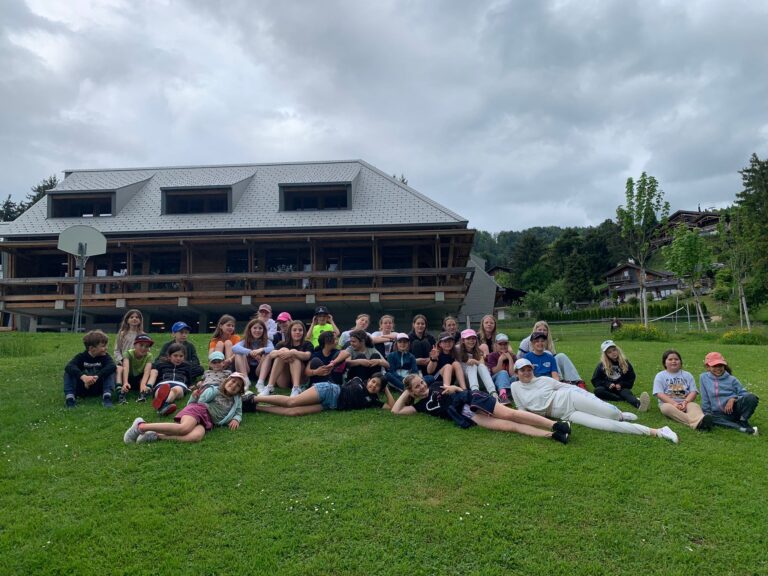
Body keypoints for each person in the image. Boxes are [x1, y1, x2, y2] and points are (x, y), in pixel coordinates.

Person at [511, 359, 678, 443]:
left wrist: (588, 396)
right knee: (605, 425)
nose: (526, 373)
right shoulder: (515, 387)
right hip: (566, 414)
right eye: (522, 370)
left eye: (528, 369)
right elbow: (520, 409)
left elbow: (566, 387)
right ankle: (657, 431)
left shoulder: (544, 380)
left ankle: (619, 414)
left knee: (611, 414)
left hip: (570, 398)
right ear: (516, 373)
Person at [392, 374, 572, 444]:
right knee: (509, 426)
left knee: (510, 414)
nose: (422, 387)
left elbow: (461, 391)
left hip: (473, 400)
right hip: (467, 415)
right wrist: (406, 391)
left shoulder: (436, 385)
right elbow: (396, 411)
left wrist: (455, 388)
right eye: (417, 387)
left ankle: (556, 425)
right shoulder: (420, 406)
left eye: (421, 382)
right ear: (412, 392)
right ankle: (552, 435)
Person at [124, 372, 247, 444]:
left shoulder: (236, 400)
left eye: (238, 385)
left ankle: (155, 435)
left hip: (207, 421)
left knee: (195, 437)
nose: (234, 385)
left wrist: (236, 419)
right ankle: (141, 426)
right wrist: (194, 396)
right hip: (198, 411)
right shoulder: (214, 390)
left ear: (240, 390)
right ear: (226, 381)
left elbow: (238, 412)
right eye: (232, 381)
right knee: (184, 428)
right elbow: (198, 401)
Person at [246, 374, 394, 416]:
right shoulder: (358, 381)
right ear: (369, 379)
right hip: (329, 390)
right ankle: (253, 398)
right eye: (373, 381)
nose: (373, 386)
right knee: (292, 402)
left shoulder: (373, 400)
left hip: (330, 405)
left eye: (377, 386)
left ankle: (255, 407)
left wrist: (386, 389)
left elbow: (392, 407)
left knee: (294, 412)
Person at [699, 352, 759, 435]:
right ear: (708, 367)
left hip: (734, 411)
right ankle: (740, 428)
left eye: (720, 365)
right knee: (711, 418)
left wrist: (733, 398)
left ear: (724, 366)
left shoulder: (732, 379)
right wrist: (706, 413)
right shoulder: (703, 378)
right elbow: (705, 397)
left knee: (752, 397)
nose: (718, 368)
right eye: (714, 366)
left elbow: (744, 394)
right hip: (717, 414)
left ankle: (743, 421)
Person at [653, 349, 713, 431]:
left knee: (695, 406)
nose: (673, 361)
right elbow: (659, 394)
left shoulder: (687, 375)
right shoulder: (660, 376)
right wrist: (674, 404)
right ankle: (699, 423)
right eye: (670, 359)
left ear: (680, 362)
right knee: (666, 409)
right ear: (664, 363)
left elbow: (693, 392)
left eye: (676, 359)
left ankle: (701, 420)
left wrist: (685, 402)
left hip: (686, 402)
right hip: (669, 403)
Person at [519, 320, 585, 388]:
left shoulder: (549, 342)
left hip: (547, 364)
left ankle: (577, 381)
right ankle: (560, 381)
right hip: (531, 367)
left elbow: (553, 357)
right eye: (540, 330)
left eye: (544, 330)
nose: (542, 332)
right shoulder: (526, 342)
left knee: (561, 356)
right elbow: (519, 358)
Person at [258, 320, 313, 397]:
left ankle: (296, 388)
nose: (297, 332)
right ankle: (269, 387)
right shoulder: (282, 343)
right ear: (290, 332)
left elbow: (307, 355)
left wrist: (293, 352)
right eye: (294, 330)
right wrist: (282, 352)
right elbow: (272, 354)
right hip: (284, 380)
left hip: (300, 378)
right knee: (281, 353)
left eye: (300, 330)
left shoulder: (307, 344)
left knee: (294, 356)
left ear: (303, 332)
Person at [591, 340, 650, 411]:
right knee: (598, 391)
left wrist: (621, 384)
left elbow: (631, 378)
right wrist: (607, 384)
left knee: (627, 394)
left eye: (614, 350)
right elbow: (595, 380)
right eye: (609, 352)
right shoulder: (602, 365)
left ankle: (639, 404)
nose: (613, 353)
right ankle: (621, 399)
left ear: (617, 350)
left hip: (621, 389)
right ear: (606, 355)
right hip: (607, 389)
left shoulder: (625, 363)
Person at [63, 329, 116, 408]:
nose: (106, 348)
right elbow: (69, 366)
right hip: (82, 387)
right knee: (68, 372)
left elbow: (112, 366)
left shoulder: (105, 357)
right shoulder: (81, 357)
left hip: (98, 387)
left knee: (110, 371)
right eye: (103, 346)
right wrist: (83, 377)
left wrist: (96, 377)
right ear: (92, 348)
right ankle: (70, 399)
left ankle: (107, 397)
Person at [149, 343, 200, 416]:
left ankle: (163, 404)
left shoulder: (187, 366)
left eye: (181, 356)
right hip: (163, 383)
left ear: (184, 357)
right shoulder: (161, 364)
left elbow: (189, 378)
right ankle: (164, 405)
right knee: (160, 390)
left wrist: (190, 386)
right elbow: (156, 374)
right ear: (169, 356)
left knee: (175, 390)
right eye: (175, 356)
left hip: (179, 384)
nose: (178, 358)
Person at [233, 318, 274, 386]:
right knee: (238, 353)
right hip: (246, 369)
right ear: (250, 329)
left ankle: (260, 382)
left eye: (260, 328)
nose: (257, 330)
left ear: (263, 330)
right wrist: (250, 352)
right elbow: (234, 348)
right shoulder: (245, 341)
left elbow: (272, 349)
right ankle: (246, 381)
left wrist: (261, 350)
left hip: (260, 370)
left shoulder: (267, 341)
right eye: (255, 328)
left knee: (268, 354)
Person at [457, 329, 496, 396]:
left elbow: (483, 366)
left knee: (479, 365)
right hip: (465, 380)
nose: (471, 341)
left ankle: (493, 392)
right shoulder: (457, 350)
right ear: (463, 340)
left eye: (473, 338)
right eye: (468, 338)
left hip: (480, 380)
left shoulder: (478, 351)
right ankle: (475, 392)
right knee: (472, 366)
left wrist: (475, 361)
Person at [118, 333, 154, 404]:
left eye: (147, 346)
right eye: (141, 345)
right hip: (128, 378)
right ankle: (120, 392)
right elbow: (126, 368)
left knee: (154, 372)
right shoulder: (128, 353)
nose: (143, 348)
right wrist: (125, 382)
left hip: (139, 380)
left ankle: (144, 392)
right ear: (134, 345)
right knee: (119, 368)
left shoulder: (149, 356)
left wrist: (143, 384)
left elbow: (147, 371)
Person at [114, 309, 143, 386]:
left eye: (137, 317)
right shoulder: (122, 334)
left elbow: (147, 351)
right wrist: (121, 359)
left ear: (140, 320)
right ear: (127, 320)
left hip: (138, 362)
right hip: (124, 361)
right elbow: (117, 350)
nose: (134, 319)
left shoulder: (143, 335)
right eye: (131, 317)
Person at [486, 333, 516, 404]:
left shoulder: (512, 356)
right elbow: (494, 372)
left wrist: (510, 358)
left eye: (505, 344)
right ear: (496, 345)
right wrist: (500, 360)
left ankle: (507, 393)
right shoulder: (492, 355)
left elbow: (512, 373)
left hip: (508, 382)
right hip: (496, 381)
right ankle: (503, 396)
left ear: (508, 344)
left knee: (515, 377)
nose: (503, 346)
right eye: (500, 344)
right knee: (503, 372)